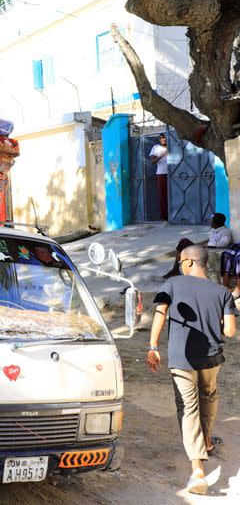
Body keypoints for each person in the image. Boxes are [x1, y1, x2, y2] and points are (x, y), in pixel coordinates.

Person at [148, 245, 236, 495]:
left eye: (179, 261)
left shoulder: (172, 285)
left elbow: (160, 313)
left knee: (188, 407)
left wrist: (152, 347)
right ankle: (206, 440)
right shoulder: (222, 292)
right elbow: (229, 332)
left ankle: (198, 470)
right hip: (212, 358)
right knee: (209, 396)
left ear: (187, 262)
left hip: (182, 358)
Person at [163, 213, 233, 280]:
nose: (210, 222)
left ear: (218, 222)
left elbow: (224, 243)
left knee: (184, 241)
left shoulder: (226, 231)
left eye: (212, 221)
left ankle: (176, 269)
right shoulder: (214, 229)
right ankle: (176, 268)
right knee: (182, 243)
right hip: (206, 248)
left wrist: (208, 245)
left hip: (209, 250)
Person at [149, 134, 169, 221]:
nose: (163, 139)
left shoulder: (172, 145)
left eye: (164, 137)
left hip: (173, 174)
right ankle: (164, 217)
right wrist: (160, 156)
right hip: (161, 174)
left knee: (174, 194)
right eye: (161, 138)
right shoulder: (156, 147)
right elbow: (152, 161)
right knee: (163, 195)